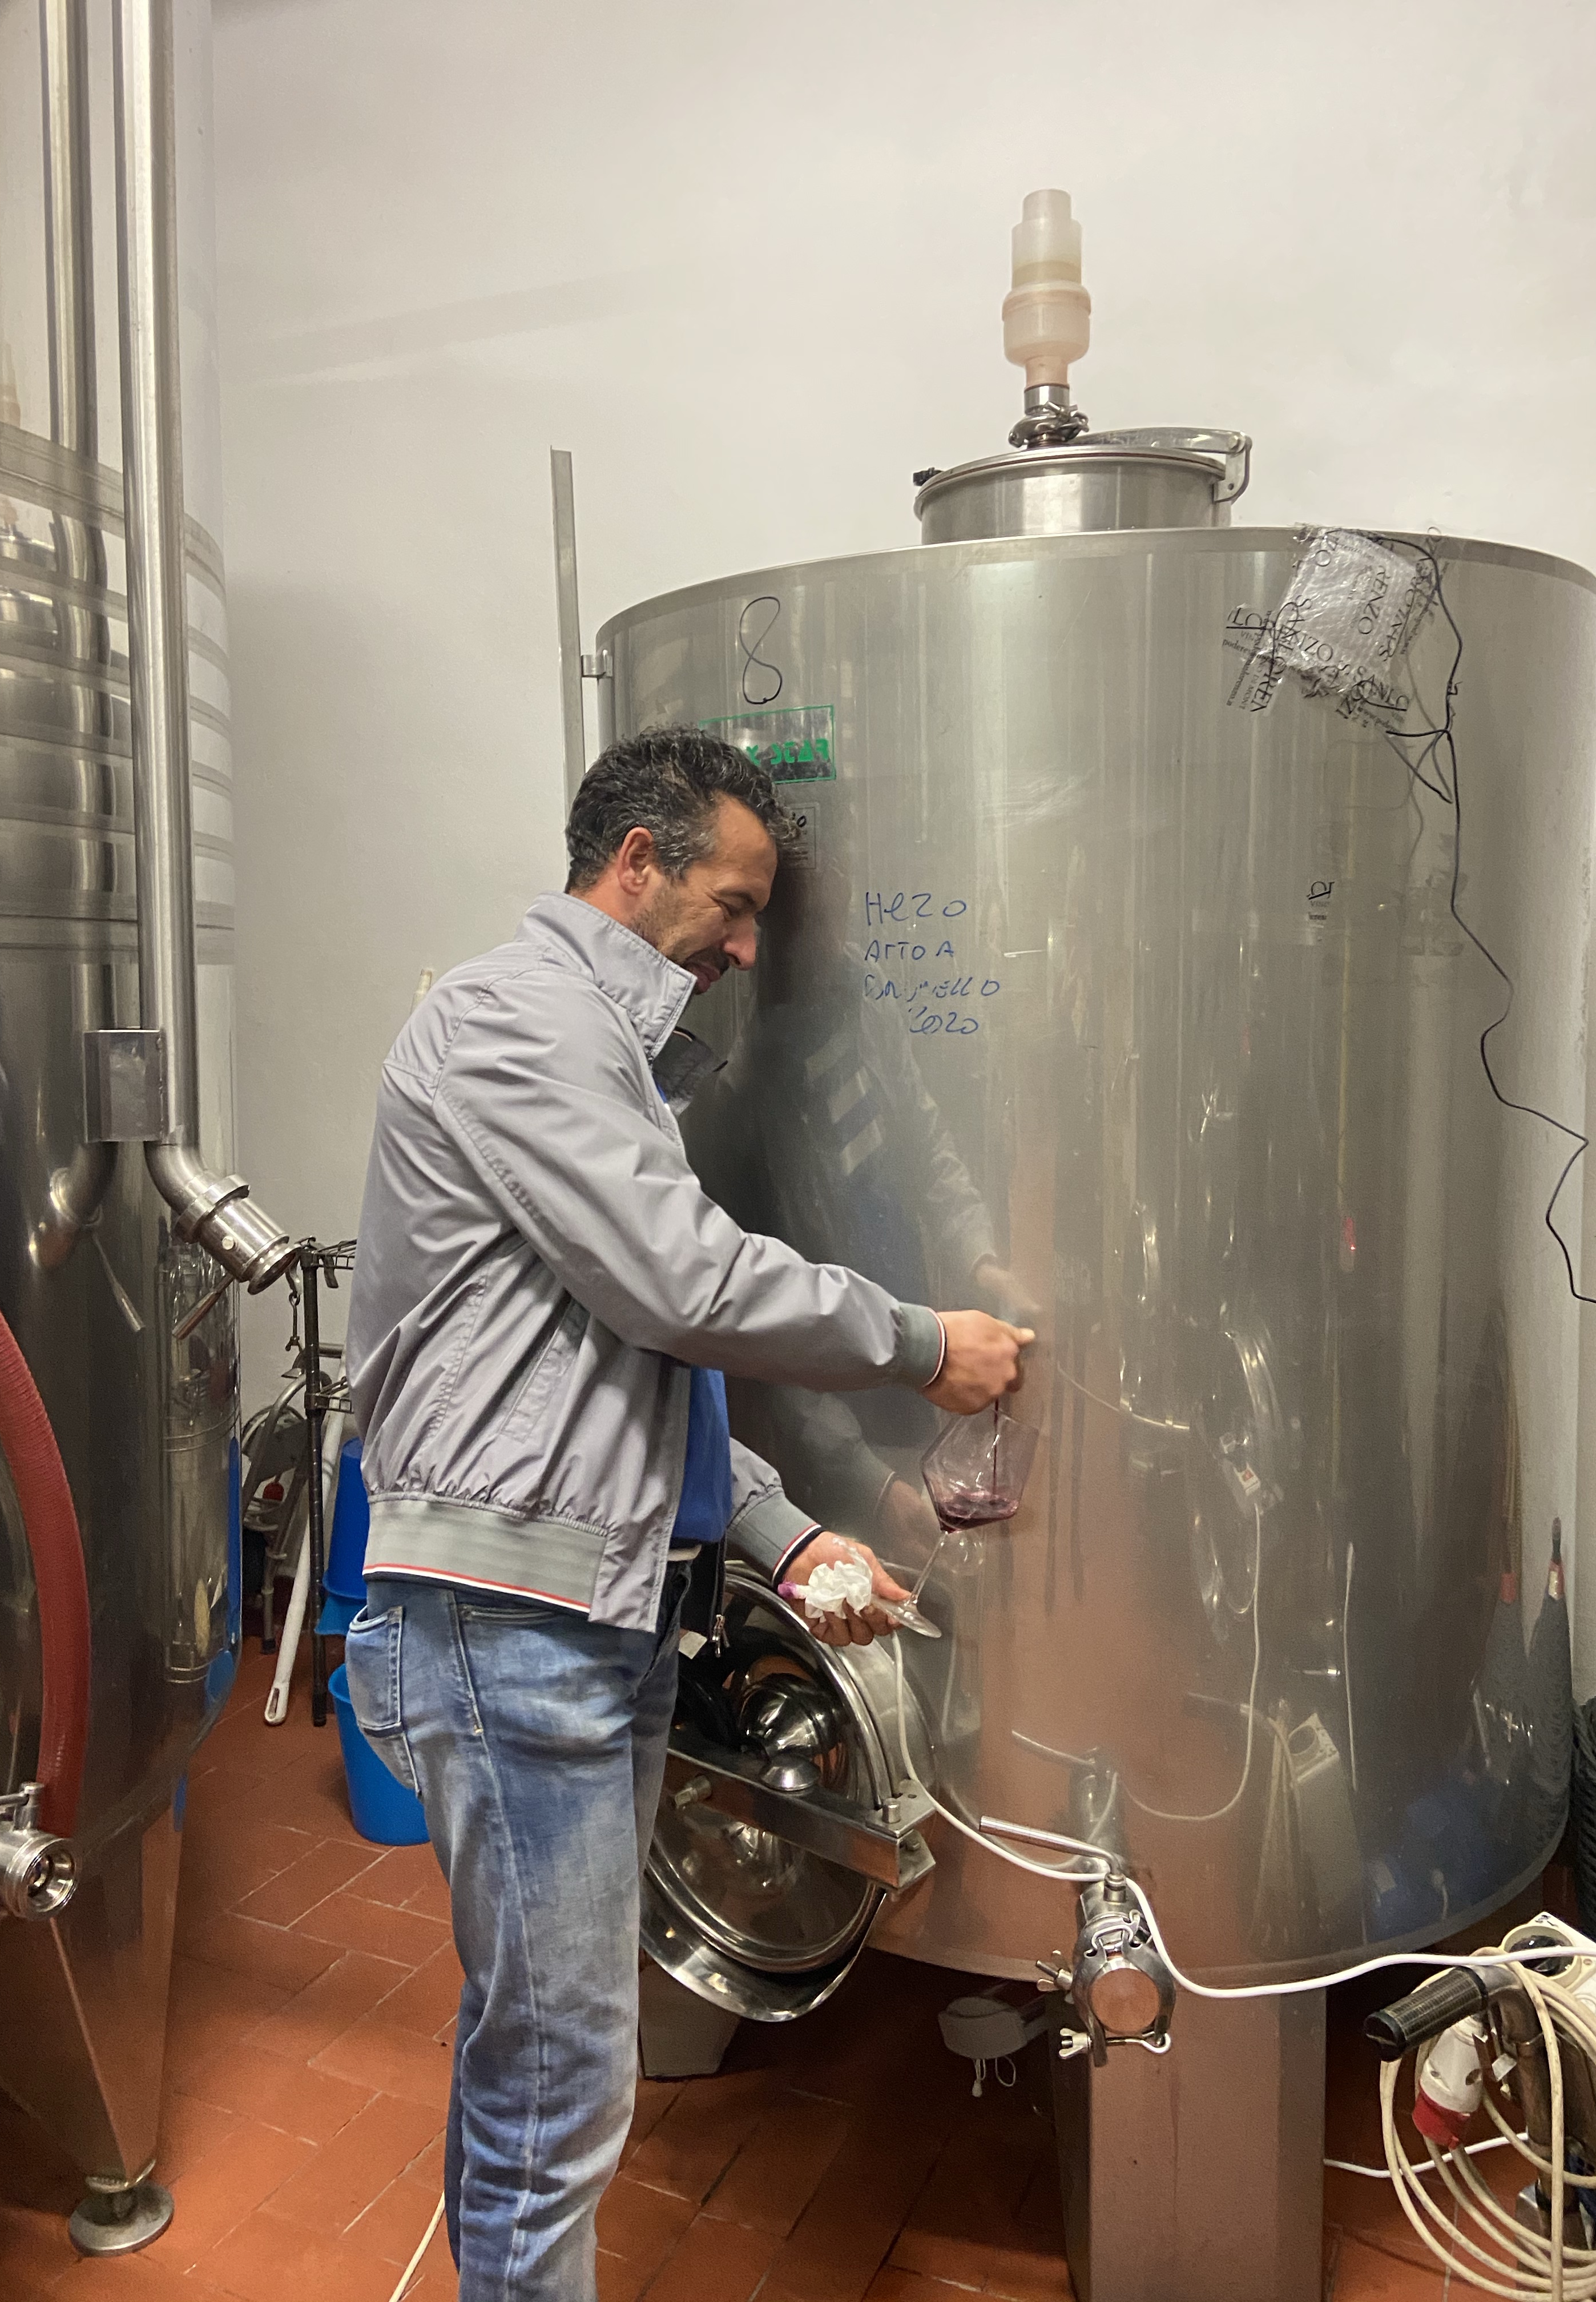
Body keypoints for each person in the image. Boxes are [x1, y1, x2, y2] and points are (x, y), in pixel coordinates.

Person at [344, 727, 1031, 2302]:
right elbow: (683, 1284)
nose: (746, 949)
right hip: (514, 1629)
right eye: (733, 905)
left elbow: (640, 1372)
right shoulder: (516, 1019)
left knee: (544, 2051)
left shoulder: (613, 1059)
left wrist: (781, 1532)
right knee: (560, 2078)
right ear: (637, 863)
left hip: (591, 1622)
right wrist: (921, 1345)